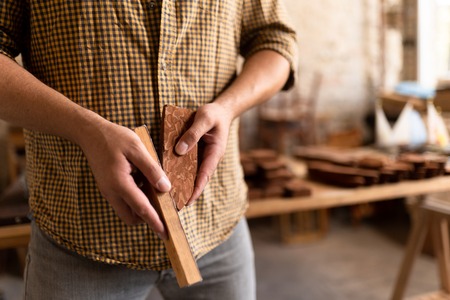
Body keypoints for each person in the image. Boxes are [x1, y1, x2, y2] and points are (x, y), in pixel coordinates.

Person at [0, 1, 297, 299]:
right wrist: (86, 130)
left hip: (214, 225)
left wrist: (229, 107)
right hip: (81, 239)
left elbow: (275, 40)